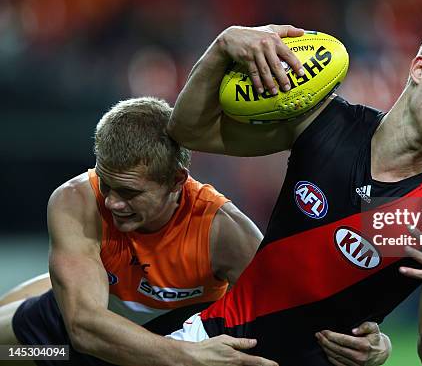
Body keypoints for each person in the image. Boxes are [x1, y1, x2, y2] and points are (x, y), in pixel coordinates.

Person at [167, 17, 422, 365]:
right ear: (420, 69)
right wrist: (222, 46)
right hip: (216, 345)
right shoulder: (323, 121)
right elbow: (189, 131)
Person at [0, 97, 391, 366]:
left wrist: (374, 344)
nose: (114, 203)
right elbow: (84, 326)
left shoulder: (225, 232)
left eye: (130, 192)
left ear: (176, 180)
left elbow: (297, 314)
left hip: (163, 345)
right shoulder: (76, 200)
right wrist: (187, 358)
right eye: (108, 185)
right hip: (66, 341)